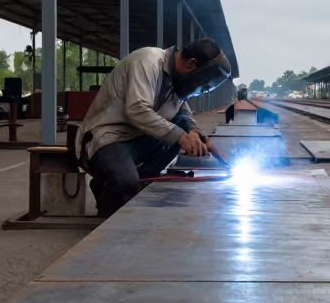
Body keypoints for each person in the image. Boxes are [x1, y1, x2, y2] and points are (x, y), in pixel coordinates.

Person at [76, 37, 231, 218]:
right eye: (203, 86)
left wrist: (196, 133)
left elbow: (182, 111)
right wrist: (181, 137)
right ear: (191, 64)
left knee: (183, 128)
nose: (200, 90)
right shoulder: (147, 62)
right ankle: (106, 220)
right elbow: (137, 110)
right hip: (108, 138)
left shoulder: (176, 80)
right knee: (126, 183)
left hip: (138, 138)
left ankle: (122, 181)